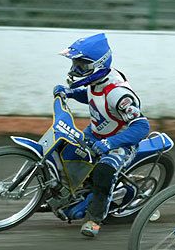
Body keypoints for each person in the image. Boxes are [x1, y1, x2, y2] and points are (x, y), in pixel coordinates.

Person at [54, 33, 150, 238]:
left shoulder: (118, 94)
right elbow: (92, 96)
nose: (75, 70)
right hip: (96, 132)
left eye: (81, 66)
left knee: (103, 171)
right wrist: (68, 93)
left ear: (98, 65)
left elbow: (142, 126)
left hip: (120, 142)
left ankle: (94, 219)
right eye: (75, 65)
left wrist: (110, 143)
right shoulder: (97, 80)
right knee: (65, 146)